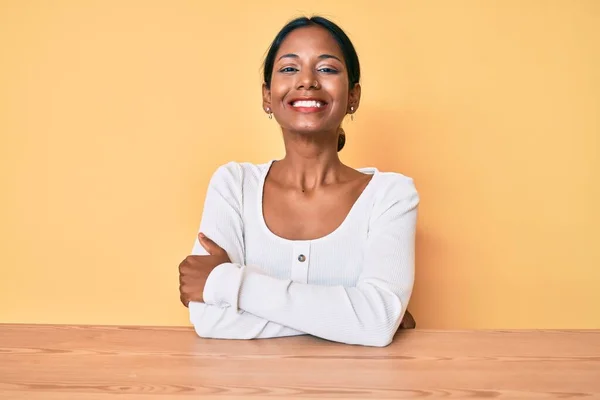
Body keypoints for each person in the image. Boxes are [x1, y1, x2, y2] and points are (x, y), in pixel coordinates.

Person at [178, 16, 419, 347]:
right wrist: (355, 320)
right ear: (267, 96)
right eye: (289, 69)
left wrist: (228, 284)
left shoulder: (391, 195)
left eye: (327, 69)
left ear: (353, 96)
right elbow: (208, 319)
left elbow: (377, 322)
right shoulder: (234, 185)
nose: (307, 80)